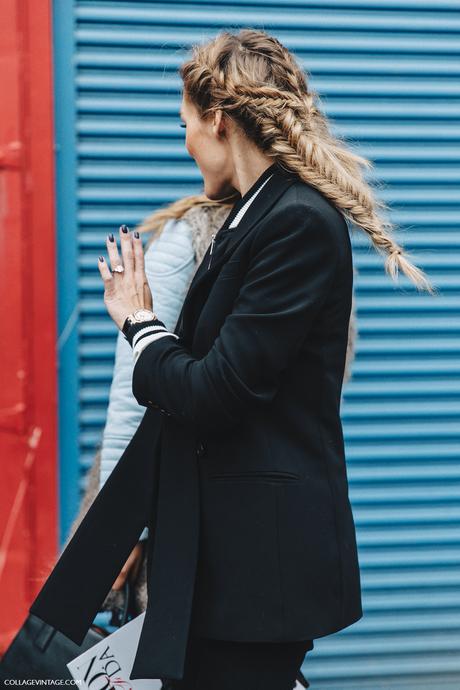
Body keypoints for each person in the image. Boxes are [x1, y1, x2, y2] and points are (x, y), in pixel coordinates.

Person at [30, 28, 434, 688]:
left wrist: (138, 321)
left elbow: (215, 391)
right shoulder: (253, 214)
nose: (184, 140)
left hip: (261, 568)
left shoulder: (298, 221)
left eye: (186, 123)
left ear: (218, 118)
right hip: (224, 563)